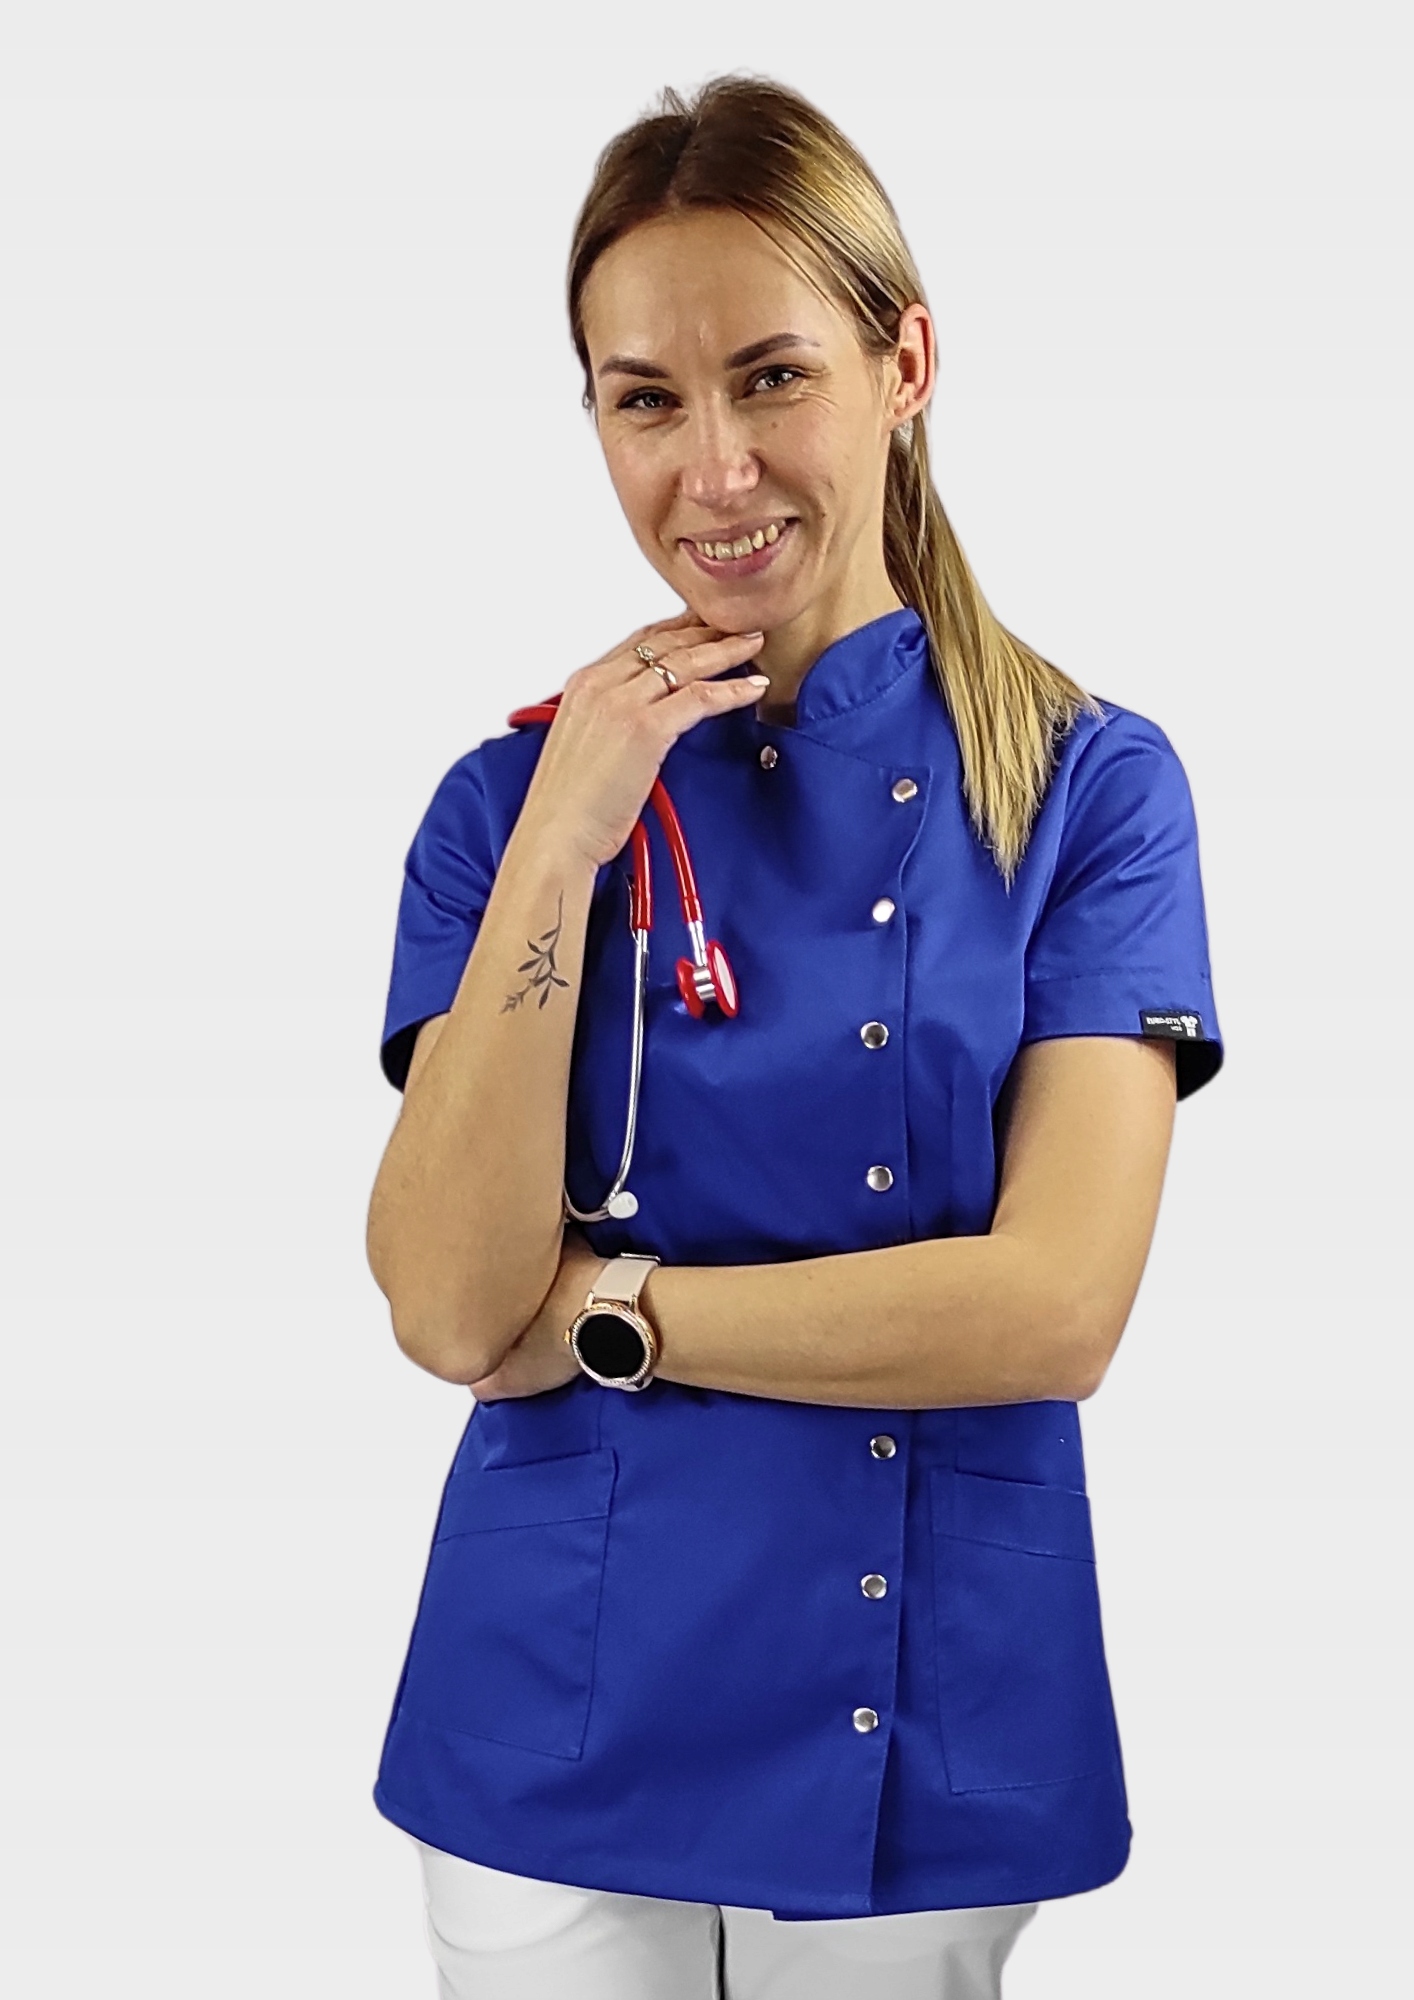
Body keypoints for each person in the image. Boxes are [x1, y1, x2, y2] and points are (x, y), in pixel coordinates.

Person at [364, 74, 1222, 2000]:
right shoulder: (506, 809)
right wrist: (566, 837)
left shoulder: (1085, 793)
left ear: (902, 364)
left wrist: (614, 1317)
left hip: (906, 1695)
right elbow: (442, 1304)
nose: (714, 469)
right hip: (552, 1696)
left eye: (771, 378)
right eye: (643, 401)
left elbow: (1053, 1307)